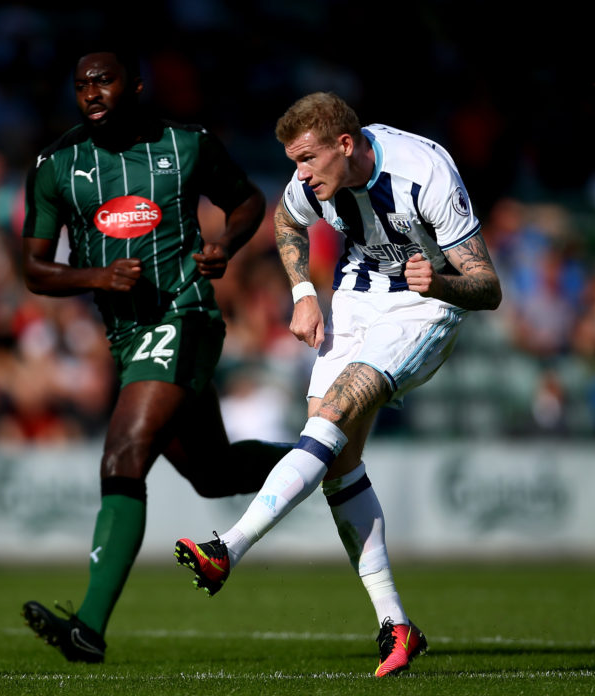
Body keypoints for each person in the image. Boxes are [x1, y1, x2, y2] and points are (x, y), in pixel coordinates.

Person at [175, 91, 502, 677]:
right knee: (336, 460)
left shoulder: (424, 173)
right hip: (354, 299)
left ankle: (228, 549)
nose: (298, 174)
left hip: (424, 309)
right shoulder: (314, 182)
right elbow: (284, 217)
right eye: (293, 161)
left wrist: (442, 285)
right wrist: (303, 293)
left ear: (344, 146)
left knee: (330, 416)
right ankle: (396, 626)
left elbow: (487, 285)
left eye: (306, 160)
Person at [19, 47, 290, 663]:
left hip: (183, 315)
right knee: (212, 473)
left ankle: (87, 627)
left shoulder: (187, 145)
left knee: (122, 456)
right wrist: (96, 277)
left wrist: (225, 245)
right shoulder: (57, 165)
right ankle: (324, 462)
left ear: (135, 87)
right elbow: (34, 269)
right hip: (125, 337)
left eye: (104, 80)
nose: (91, 91)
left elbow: (248, 200)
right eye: (81, 84)